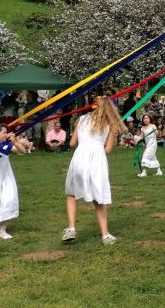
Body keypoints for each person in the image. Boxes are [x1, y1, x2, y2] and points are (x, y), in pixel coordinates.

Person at [62, 97, 126, 245]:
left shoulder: (82, 119)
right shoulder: (110, 124)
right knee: (99, 197)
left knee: (71, 193)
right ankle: (105, 235)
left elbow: (72, 143)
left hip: (80, 157)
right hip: (97, 159)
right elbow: (108, 149)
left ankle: (71, 227)